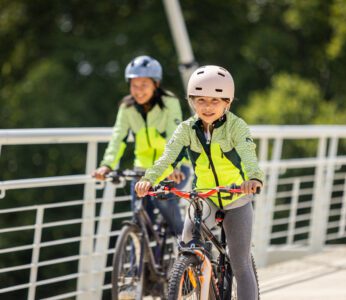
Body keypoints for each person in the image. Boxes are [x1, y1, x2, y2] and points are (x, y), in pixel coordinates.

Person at [135, 65, 264, 299]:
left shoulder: (236, 127)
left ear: (227, 102)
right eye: (201, 100)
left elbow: (248, 155)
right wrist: (148, 179)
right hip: (204, 197)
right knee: (186, 245)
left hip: (236, 197)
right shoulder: (186, 129)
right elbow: (168, 158)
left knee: (240, 262)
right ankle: (203, 278)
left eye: (215, 101)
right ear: (192, 101)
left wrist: (253, 178)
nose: (207, 106)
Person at [92, 55, 189, 235]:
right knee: (140, 224)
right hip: (142, 170)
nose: (138, 91)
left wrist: (174, 166)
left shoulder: (169, 103)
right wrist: (107, 165)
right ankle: (141, 261)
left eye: (144, 85)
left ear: (156, 84)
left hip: (172, 169)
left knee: (163, 202)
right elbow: (118, 138)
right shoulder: (127, 108)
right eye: (134, 85)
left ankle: (187, 250)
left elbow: (175, 137)